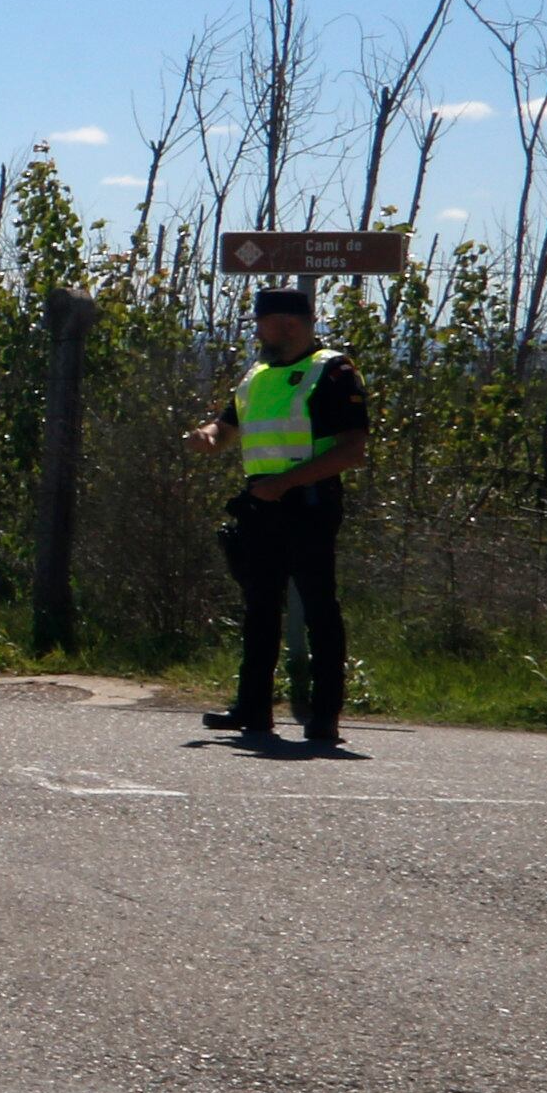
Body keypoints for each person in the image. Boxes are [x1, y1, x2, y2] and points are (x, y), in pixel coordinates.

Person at [184, 284, 369, 747]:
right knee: (260, 609)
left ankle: (324, 716)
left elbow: (352, 450)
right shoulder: (257, 374)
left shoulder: (332, 371)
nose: (261, 331)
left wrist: (285, 483)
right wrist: (208, 436)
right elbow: (227, 428)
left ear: (289, 322)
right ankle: (253, 708)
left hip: (308, 503)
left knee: (319, 609)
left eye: (264, 323)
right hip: (260, 504)